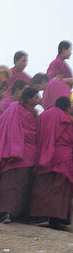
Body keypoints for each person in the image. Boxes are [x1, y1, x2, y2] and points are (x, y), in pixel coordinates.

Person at [0, 87, 40, 223]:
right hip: (14, 153)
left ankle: (11, 214)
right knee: (12, 184)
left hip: (23, 153)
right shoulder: (14, 108)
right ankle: (6, 213)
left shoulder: (34, 114)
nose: (39, 99)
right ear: (28, 99)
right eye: (36, 97)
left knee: (17, 185)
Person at [29, 94, 73, 228]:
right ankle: (56, 219)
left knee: (44, 186)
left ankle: (40, 216)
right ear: (66, 107)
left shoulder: (45, 115)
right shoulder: (67, 118)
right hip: (63, 157)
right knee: (60, 189)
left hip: (44, 154)